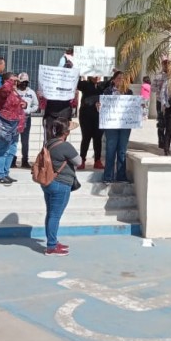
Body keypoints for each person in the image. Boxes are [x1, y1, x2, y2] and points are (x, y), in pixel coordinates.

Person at [41, 118, 81, 256]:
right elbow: (79, 161)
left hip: (48, 182)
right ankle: (51, 246)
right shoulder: (65, 146)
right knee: (55, 216)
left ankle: (52, 241)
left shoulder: (48, 144)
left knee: (50, 213)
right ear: (66, 132)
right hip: (61, 183)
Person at [98, 71, 137, 182]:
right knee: (110, 149)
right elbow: (102, 107)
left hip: (124, 125)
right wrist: (99, 106)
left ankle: (121, 176)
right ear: (113, 80)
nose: (121, 80)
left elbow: (132, 107)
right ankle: (108, 177)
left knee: (122, 150)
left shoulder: (129, 92)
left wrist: (139, 107)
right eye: (119, 78)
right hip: (111, 125)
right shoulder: (107, 92)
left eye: (123, 79)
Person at [0, 72, 25, 185]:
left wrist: (23, 104)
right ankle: (0, 175)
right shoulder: (2, 90)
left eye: (16, 81)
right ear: (7, 81)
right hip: (5, 125)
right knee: (3, 151)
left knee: (12, 150)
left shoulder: (14, 91)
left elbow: (18, 103)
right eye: (13, 81)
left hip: (15, 125)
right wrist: (10, 81)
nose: (16, 83)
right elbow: (4, 92)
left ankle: (6, 173)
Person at [77, 75, 104, 170]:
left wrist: (115, 73)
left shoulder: (102, 86)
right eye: (94, 74)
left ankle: (97, 161)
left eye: (99, 74)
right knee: (86, 138)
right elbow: (76, 84)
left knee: (98, 139)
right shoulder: (85, 84)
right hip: (86, 116)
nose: (97, 77)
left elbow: (113, 82)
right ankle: (82, 160)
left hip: (99, 116)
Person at [45, 55, 75, 140]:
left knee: (61, 139)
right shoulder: (52, 80)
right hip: (51, 114)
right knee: (49, 138)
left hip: (64, 114)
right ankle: (49, 153)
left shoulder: (72, 82)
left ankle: (58, 153)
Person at [15, 72, 39, 169]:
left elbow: (36, 105)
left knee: (25, 141)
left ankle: (25, 160)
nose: (24, 84)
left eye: (26, 82)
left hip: (26, 118)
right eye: (22, 82)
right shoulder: (15, 91)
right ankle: (12, 160)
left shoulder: (31, 92)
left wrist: (29, 110)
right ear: (18, 82)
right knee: (14, 140)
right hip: (15, 118)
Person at [152, 58, 171, 149]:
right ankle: (161, 141)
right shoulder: (158, 76)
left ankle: (169, 142)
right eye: (165, 63)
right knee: (161, 122)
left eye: (168, 63)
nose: (166, 65)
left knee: (170, 123)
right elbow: (152, 89)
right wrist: (159, 88)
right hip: (160, 101)